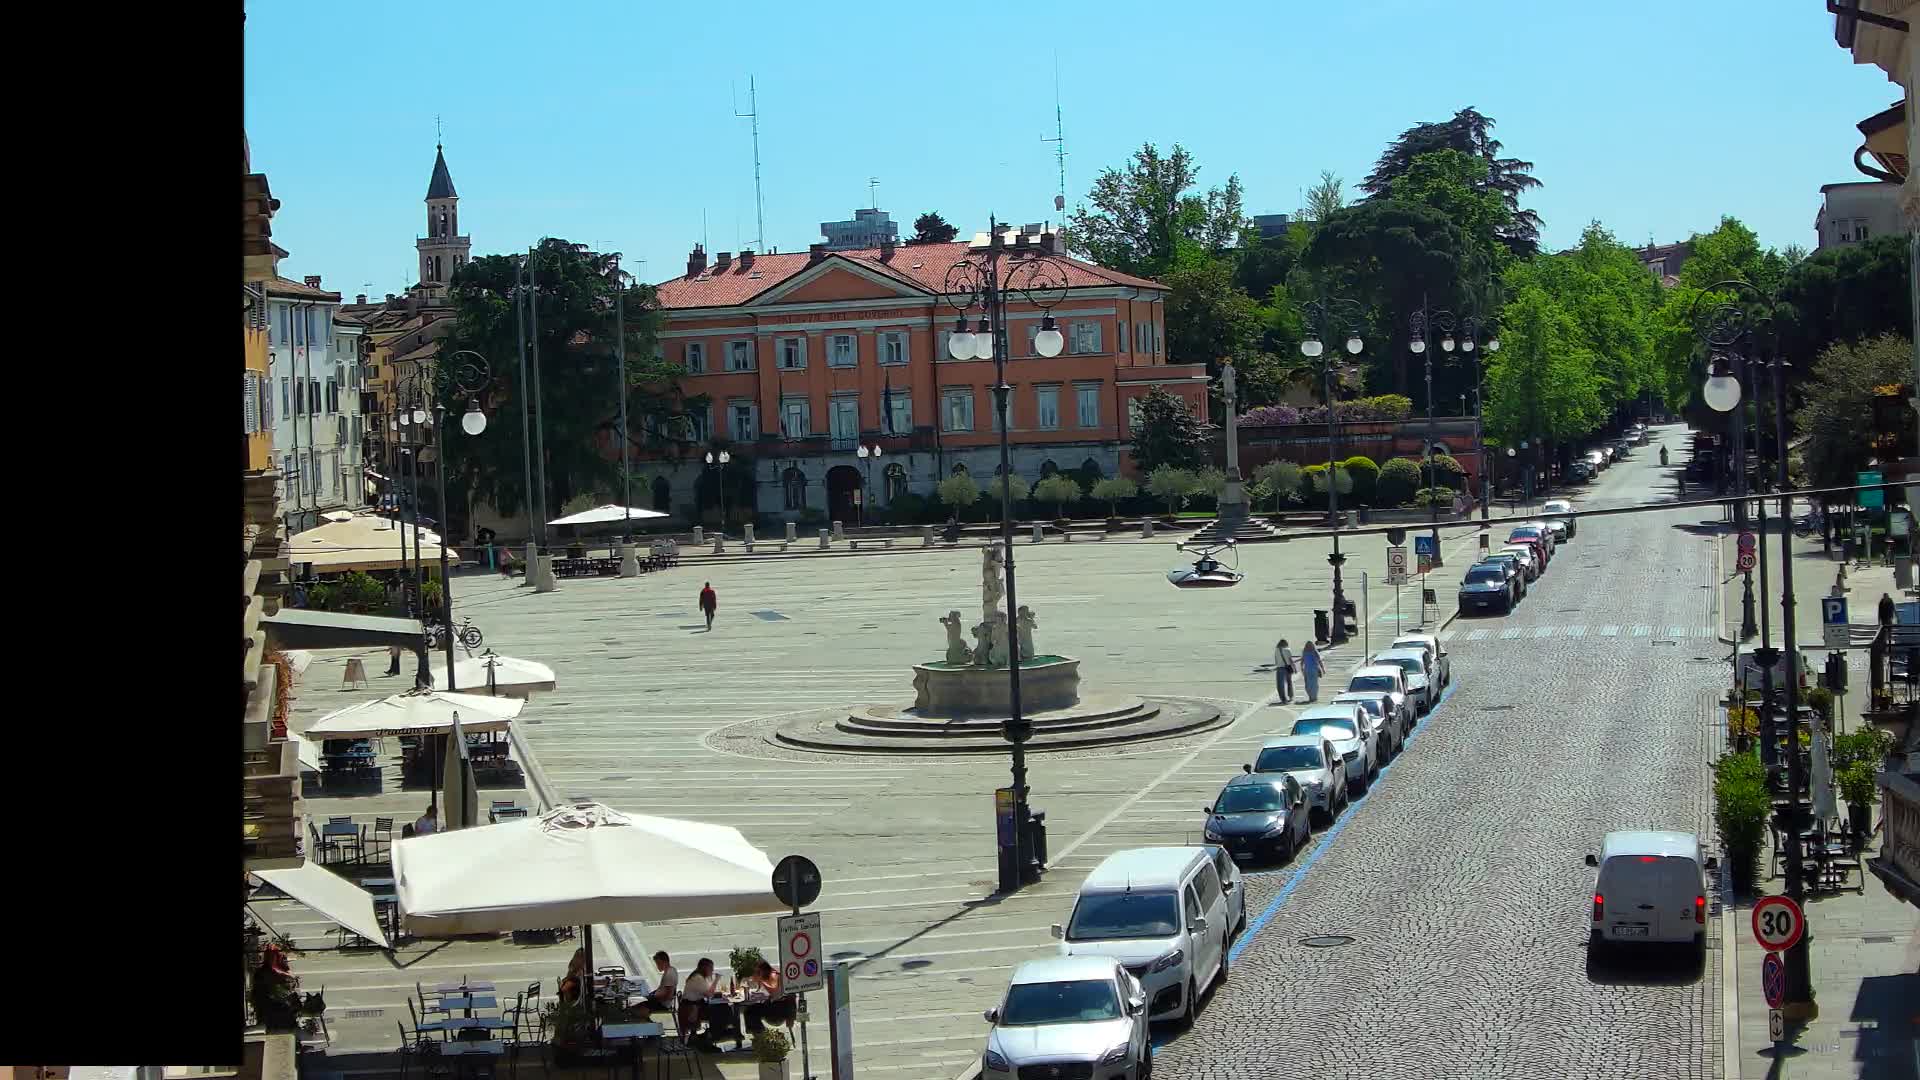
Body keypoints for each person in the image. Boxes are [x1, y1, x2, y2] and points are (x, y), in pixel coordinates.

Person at [742, 960, 795, 1036]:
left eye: (755, 972)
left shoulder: (773, 977)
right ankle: (758, 1034)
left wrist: (791, 1018)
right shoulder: (767, 977)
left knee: (750, 1011)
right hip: (775, 1007)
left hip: (779, 1011)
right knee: (749, 1011)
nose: (753, 975)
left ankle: (760, 1035)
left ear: (761, 972)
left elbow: (782, 993)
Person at [1273, 638, 1296, 703]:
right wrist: (1294, 668)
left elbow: (1276, 660)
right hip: (1287, 668)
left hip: (1280, 668)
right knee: (1289, 682)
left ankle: (1283, 699)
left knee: (1280, 684)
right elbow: (1291, 660)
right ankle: (1290, 696)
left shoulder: (1276, 650)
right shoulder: (1288, 650)